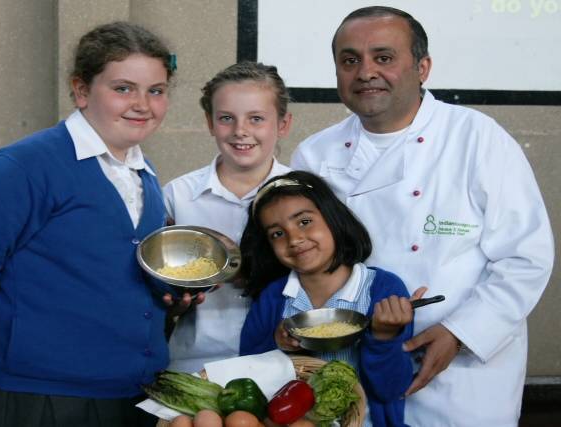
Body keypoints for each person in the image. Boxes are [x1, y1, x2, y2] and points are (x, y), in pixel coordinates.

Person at [290, 6, 554, 426]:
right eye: (349, 60)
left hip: (462, 375)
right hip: (356, 363)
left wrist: (461, 333)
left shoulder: (477, 138)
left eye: (384, 57)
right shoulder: (314, 154)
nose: (365, 72)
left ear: (423, 67)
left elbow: (526, 257)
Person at [0, 22, 177, 427]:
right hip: (46, 399)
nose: (142, 104)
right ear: (81, 90)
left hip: (131, 393)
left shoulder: (142, 171)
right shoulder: (22, 167)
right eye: (122, 88)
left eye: (156, 90)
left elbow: (108, 269)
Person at [239, 170, 424, 427]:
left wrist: (384, 337)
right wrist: (276, 341)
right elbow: (247, 372)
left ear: (332, 218)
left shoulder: (381, 289)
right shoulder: (274, 297)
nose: (294, 239)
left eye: (304, 222)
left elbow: (391, 390)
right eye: (277, 234)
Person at [162, 61, 292, 373]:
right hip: (194, 365)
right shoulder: (176, 197)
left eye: (256, 119)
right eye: (226, 119)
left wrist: (249, 270)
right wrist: (174, 301)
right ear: (209, 122)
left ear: (283, 124)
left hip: (285, 365)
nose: (240, 131)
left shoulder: (306, 197)